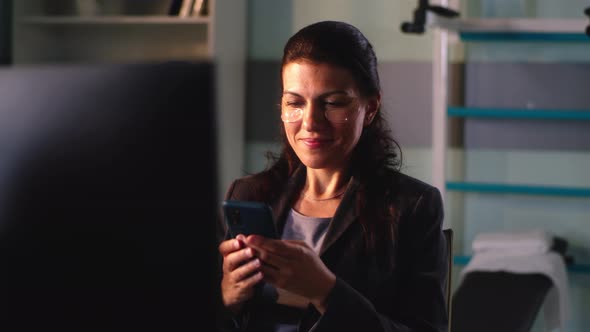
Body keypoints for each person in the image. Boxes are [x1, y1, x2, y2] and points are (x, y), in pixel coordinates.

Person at [217, 20, 448, 332]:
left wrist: (325, 291)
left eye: (333, 103)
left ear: (370, 108)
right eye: (295, 102)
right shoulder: (248, 195)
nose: (311, 122)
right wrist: (227, 299)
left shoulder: (412, 207)